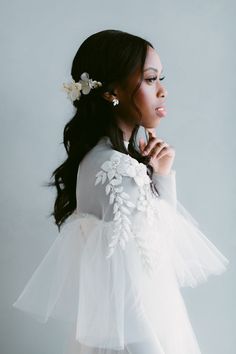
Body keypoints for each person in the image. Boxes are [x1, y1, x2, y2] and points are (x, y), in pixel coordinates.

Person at [12, 29, 229, 354]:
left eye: (160, 79)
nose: (163, 91)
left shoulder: (108, 161)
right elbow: (127, 298)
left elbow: (158, 257)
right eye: (151, 79)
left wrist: (163, 177)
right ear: (111, 92)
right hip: (140, 341)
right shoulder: (115, 168)